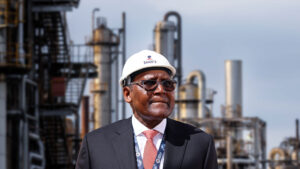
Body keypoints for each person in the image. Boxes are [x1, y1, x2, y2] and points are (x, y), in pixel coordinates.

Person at [75, 50, 218, 169]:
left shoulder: (199, 144)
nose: (161, 90)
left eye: (168, 84)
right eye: (150, 83)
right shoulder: (96, 145)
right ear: (127, 93)